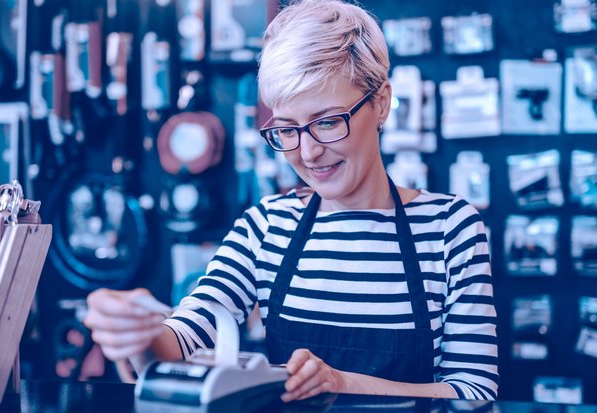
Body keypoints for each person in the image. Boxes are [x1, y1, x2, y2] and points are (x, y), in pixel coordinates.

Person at [84, 0, 498, 402]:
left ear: (382, 103)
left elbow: (474, 394)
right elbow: (185, 338)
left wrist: (342, 384)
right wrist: (137, 334)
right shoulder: (266, 228)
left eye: (327, 122)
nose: (308, 152)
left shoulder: (448, 228)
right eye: (287, 129)